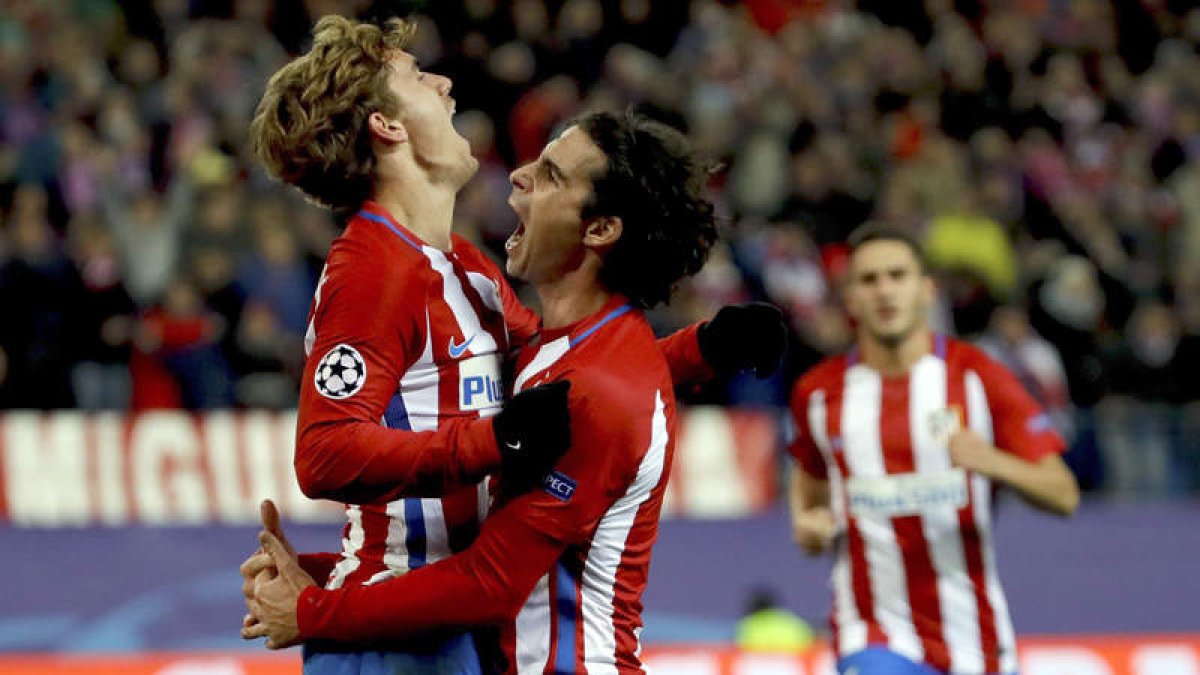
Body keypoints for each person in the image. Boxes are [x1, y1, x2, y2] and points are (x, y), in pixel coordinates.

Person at [241, 15, 785, 674]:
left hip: (439, 632)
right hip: (386, 642)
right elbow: (323, 454)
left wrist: (702, 349)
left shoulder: (466, 265)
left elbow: (567, 388)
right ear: (387, 127)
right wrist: (490, 443)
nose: (443, 81)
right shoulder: (371, 270)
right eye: (416, 76)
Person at [787, 224, 1079, 675]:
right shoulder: (819, 394)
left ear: (926, 290)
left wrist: (993, 461)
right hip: (872, 632)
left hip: (975, 641)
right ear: (850, 299)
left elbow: (1064, 494)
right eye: (869, 280)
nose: (884, 291)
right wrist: (808, 526)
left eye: (897, 276)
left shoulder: (979, 378)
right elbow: (809, 492)